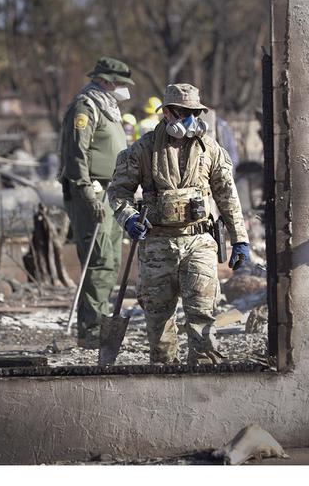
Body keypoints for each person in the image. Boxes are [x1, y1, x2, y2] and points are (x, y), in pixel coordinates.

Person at [107, 83, 250, 366]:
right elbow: (118, 192)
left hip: (198, 241)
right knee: (158, 321)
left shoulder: (210, 150)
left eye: (194, 113)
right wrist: (130, 218)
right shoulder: (143, 150)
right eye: (183, 113)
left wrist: (240, 239)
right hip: (158, 244)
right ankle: (163, 382)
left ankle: (206, 380)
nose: (190, 119)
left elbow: (227, 195)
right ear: (168, 113)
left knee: (202, 315)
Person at [58, 56, 134, 349]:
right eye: (119, 83)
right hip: (92, 192)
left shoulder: (107, 107)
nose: (123, 89)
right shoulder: (85, 107)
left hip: (112, 191)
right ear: (105, 80)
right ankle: (90, 331)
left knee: (111, 260)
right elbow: (76, 156)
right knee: (99, 259)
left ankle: (99, 324)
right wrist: (88, 194)